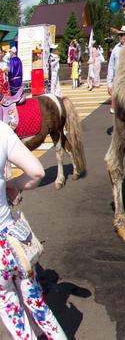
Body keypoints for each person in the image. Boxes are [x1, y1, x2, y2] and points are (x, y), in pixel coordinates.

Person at [0, 121, 68, 339]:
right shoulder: (1, 129)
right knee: (38, 304)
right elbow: (37, 172)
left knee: (12, 310)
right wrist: (15, 184)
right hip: (14, 240)